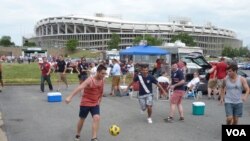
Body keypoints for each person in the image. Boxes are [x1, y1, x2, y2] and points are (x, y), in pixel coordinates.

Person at [65, 65, 107, 141]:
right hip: (86, 102)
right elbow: (80, 87)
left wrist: (100, 99)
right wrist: (70, 97)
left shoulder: (102, 80)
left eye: (105, 74)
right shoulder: (90, 80)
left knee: (96, 118)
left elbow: (101, 90)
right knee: (82, 119)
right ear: (97, 72)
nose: (104, 75)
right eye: (102, 73)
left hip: (95, 103)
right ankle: (78, 134)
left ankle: (94, 138)